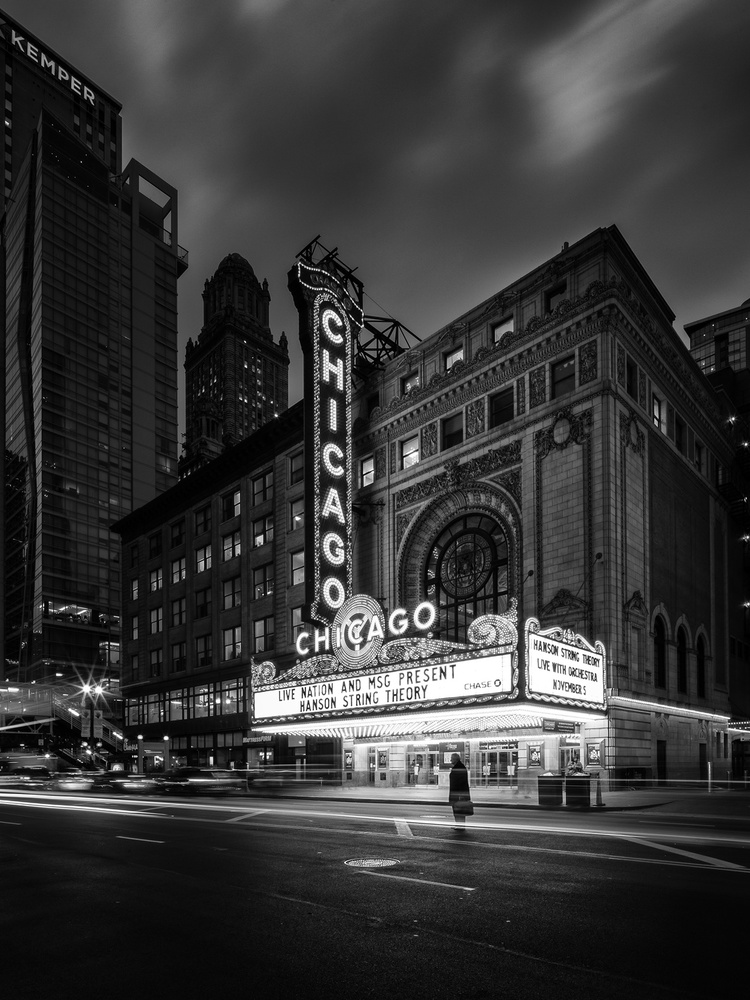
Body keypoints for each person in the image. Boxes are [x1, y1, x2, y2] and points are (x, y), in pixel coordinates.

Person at [448, 753, 472, 829]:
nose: (450, 760)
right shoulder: (459, 766)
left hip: (458, 794)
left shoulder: (458, 768)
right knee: (459, 810)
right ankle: (459, 825)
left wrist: (458, 795)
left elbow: (459, 783)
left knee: (459, 810)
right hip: (459, 793)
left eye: (452, 758)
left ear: (455, 759)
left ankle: (460, 826)